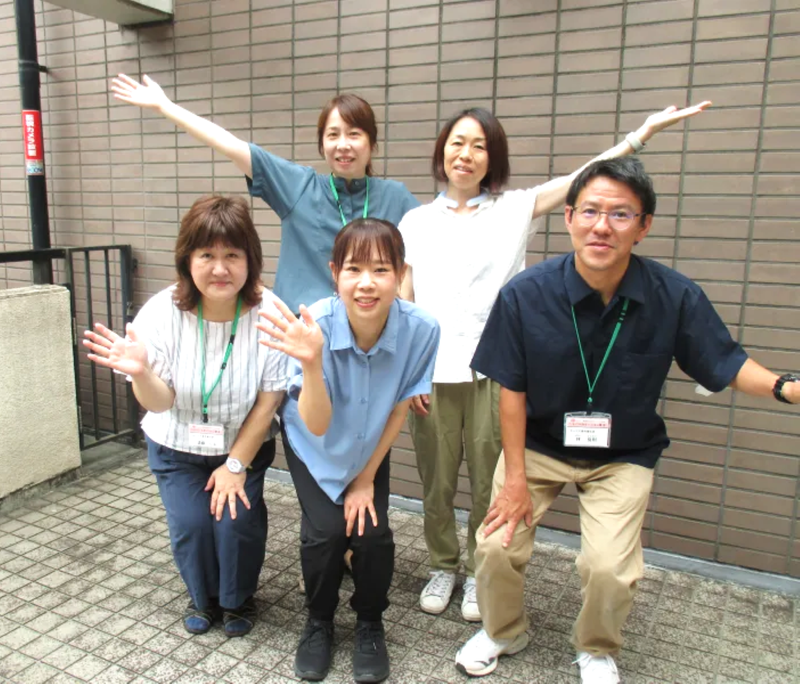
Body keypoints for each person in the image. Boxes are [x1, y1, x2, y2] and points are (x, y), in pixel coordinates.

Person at [453, 157, 800, 683]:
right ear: (569, 217)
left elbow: (724, 363)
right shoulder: (527, 294)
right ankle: (503, 631)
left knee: (610, 568)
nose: (602, 226)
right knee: (496, 545)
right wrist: (516, 477)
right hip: (539, 446)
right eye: (590, 211)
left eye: (620, 214)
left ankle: (595, 647)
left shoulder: (674, 296)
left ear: (643, 225)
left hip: (623, 455)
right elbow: (511, 391)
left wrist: (783, 387)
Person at [398, 101, 710, 622]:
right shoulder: (416, 220)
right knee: (436, 479)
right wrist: (407, 374)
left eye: (479, 145)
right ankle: (442, 564)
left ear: (492, 157)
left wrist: (640, 135)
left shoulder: (515, 208)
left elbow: (583, 179)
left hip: (493, 372)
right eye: (457, 143)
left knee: (489, 480)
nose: (466, 154)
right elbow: (405, 302)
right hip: (432, 373)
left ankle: (477, 571)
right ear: (442, 151)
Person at [83, 195, 288, 638]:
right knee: (193, 525)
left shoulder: (270, 312)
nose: (220, 268)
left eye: (232, 255)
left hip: (242, 446)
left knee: (236, 524)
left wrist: (235, 465)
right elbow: (159, 402)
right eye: (207, 255)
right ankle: (203, 598)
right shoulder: (162, 312)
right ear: (187, 259)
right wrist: (141, 372)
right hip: (176, 445)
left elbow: (268, 402)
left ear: (250, 259)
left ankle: (237, 599)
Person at [258, 218, 439, 683]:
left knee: (372, 534)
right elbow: (316, 424)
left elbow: (399, 406)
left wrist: (365, 479)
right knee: (326, 532)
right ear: (335, 272)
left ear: (400, 274)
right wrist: (311, 363)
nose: (366, 283)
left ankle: (369, 623)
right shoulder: (314, 325)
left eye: (381, 269)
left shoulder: (422, 329)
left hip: (369, 445)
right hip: (314, 445)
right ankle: (318, 621)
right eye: (354, 269)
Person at [110, 74, 419, 314]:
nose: (343, 145)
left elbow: (423, 257)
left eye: (354, 134)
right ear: (321, 144)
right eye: (333, 135)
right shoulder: (299, 186)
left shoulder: (397, 197)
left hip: (372, 333)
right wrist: (165, 107)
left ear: (371, 143)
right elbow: (232, 146)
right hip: (302, 330)